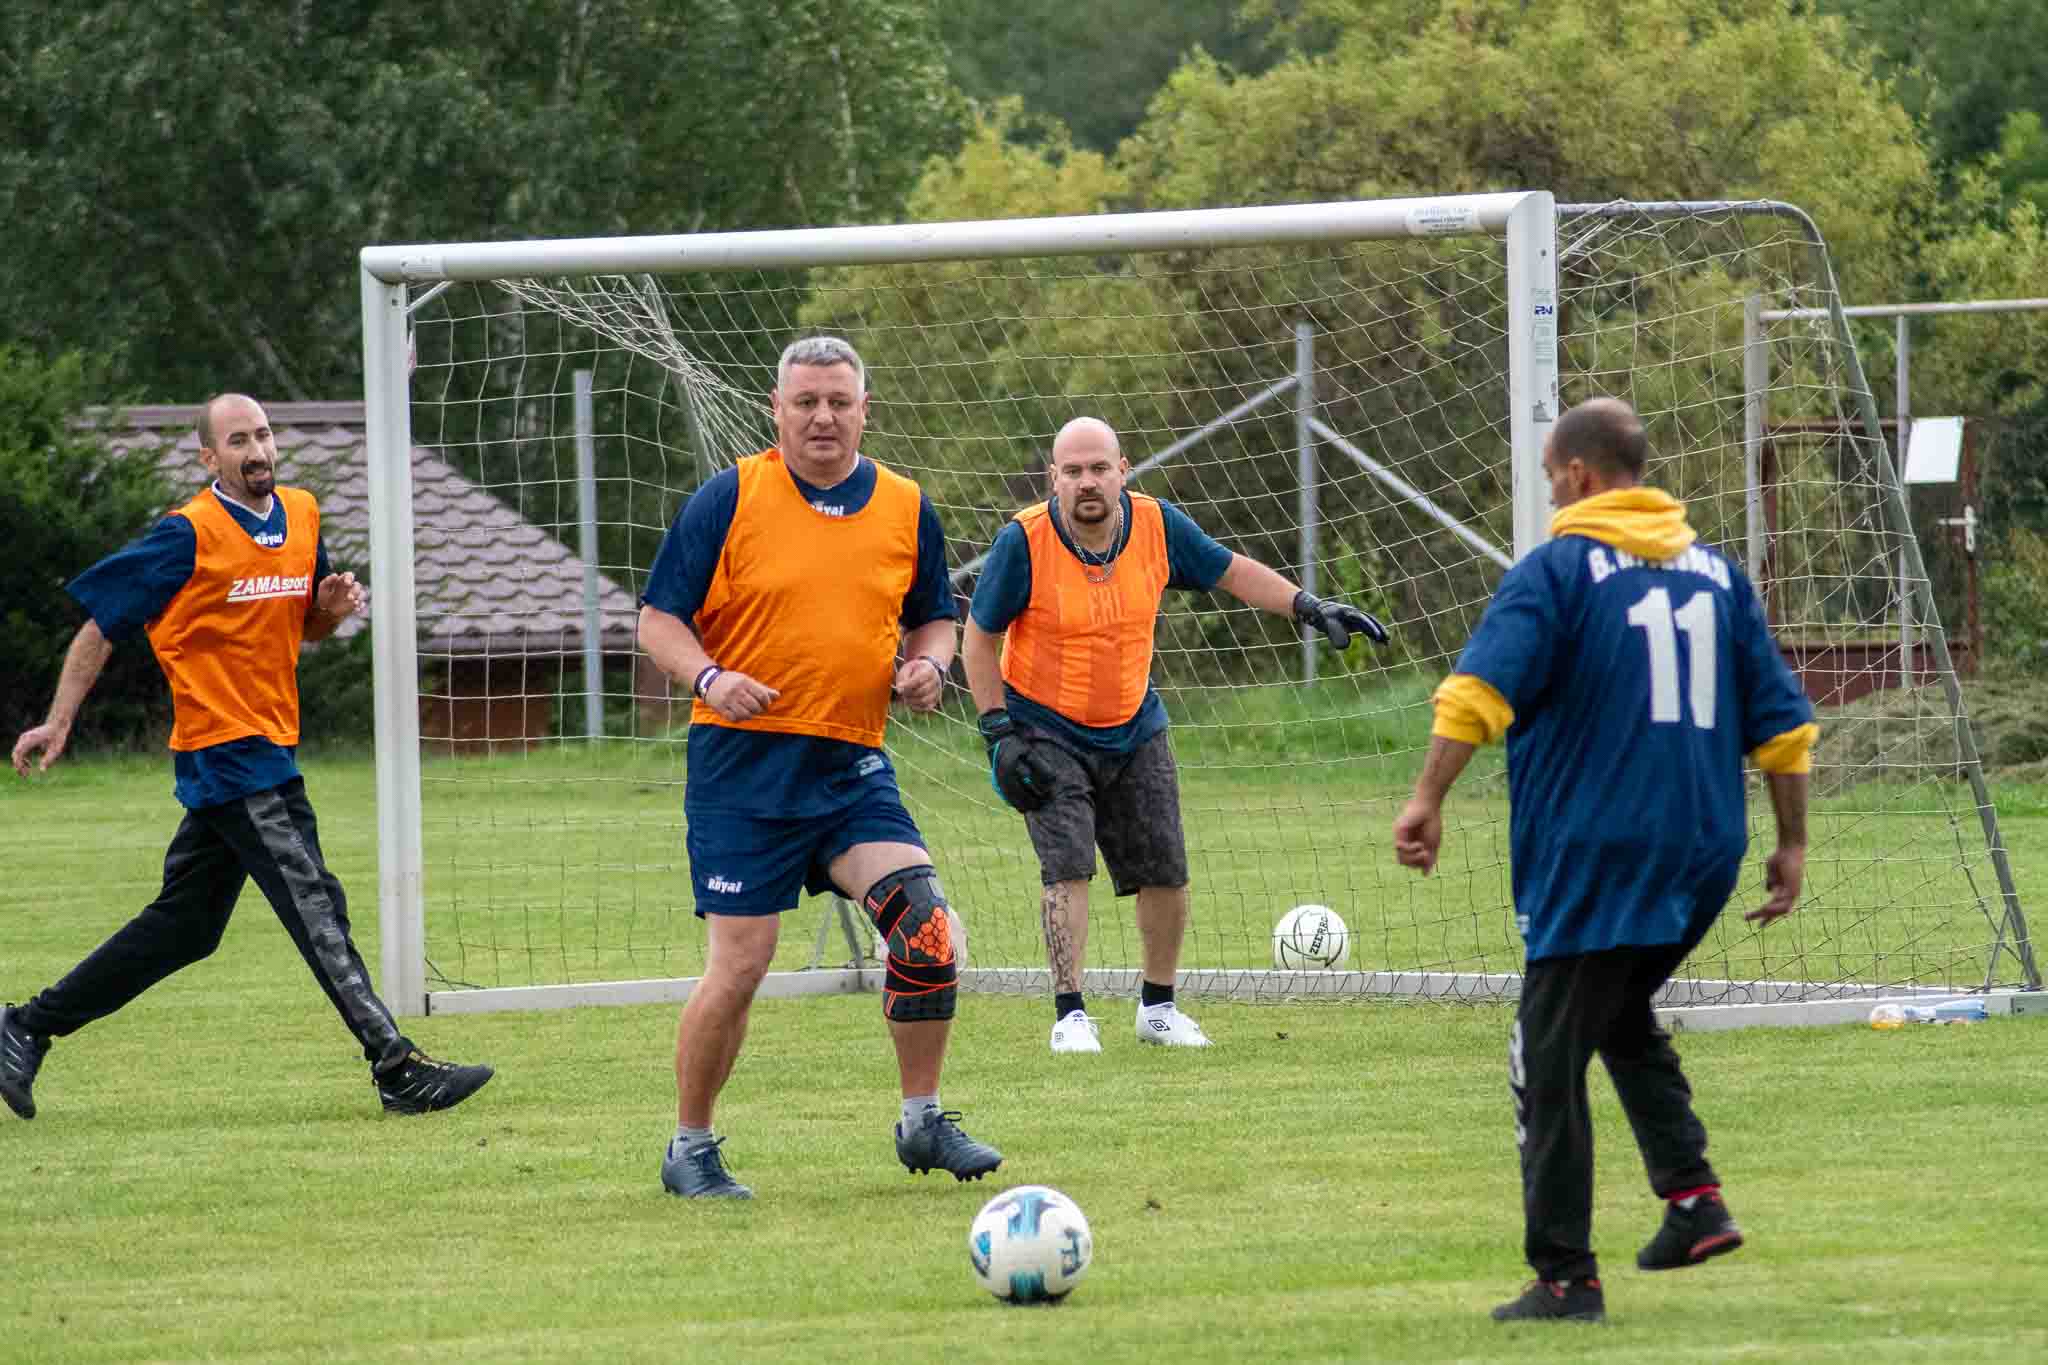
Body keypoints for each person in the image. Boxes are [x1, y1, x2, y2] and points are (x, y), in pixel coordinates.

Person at [1390, 397, 1816, 1323]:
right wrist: (1792, 841)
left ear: (1577, 473)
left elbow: (1475, 694)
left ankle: (1564, 1275)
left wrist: (1425, 797)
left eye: (1549, 477)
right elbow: (1784, 727)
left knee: (1543, 1055)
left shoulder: (1558, 571)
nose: (1550, 492)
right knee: (1618, 1012)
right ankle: (1693, 1199)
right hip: (1704, 849)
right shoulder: (1719, 577)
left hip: (1597, 848)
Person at [3, 394, 494, 1122]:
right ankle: (396, 1064)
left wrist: (330, 605)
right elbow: (99, 627)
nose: (256, 448)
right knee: (317, 905)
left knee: (187, 926)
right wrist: (59, 719)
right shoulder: (185, 535)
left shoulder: (301, 514)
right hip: (229, 752)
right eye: (238, 440)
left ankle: (25, 1025)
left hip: (266, 745)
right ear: (211, 458)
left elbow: (310, 631)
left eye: (263, 434)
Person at [638, 336, 1002, 1199]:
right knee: (741, 964)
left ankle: (922, 1121)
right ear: (777, 410)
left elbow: (933, 621)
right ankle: (690, 1145)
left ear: (865, 408)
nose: (823, 417)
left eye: (839, 400)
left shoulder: (907, 508)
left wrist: (931, 666)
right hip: (743, 771)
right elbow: (658, 621)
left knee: (924, 927)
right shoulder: (729, 497)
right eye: (806, 402)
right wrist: (711, 676)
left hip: (850, 766)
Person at [962, 416, 1389, 1054]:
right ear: (1054, 478)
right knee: (1067, 867)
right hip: (1043, 728)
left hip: (1135, 724)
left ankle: (1157, 1010)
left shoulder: (1158, 525)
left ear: (1122, 470)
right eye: (1073, 471)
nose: (1087, 482)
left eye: (1099, 468)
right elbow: (978, 636)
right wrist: (998, 729)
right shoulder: (1021, 542)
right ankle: (1070, 1014)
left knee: (1167, 870)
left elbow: (1231, 570)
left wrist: (1307, 606)